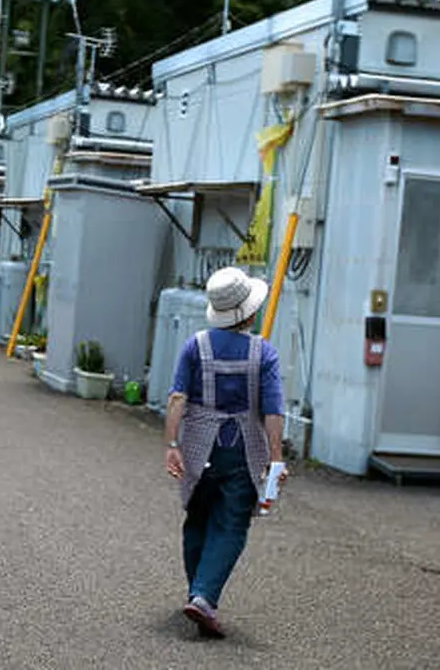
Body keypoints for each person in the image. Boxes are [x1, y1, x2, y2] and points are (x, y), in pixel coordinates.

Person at [163, 266, 289, 638]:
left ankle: (198, 593)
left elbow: (177, 397)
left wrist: (171, 445)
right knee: (232, 522)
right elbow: (273, 410)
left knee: (197, 517)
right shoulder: (264, 352)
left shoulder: (195, 345)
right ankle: (203, 597)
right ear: (249, 312)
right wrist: (276, 457)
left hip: (197, 445)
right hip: (244, 450)